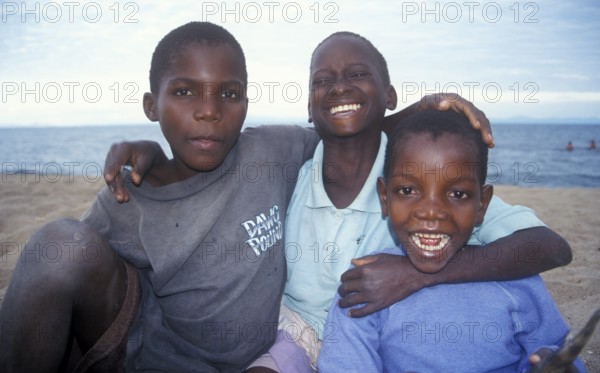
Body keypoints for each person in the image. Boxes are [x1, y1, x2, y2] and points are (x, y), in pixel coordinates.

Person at [0, 22, 492, 372]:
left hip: (266, 356)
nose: (209, 112)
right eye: (186, 93)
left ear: (247, 102)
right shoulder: (129, 196)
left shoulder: (272, 151)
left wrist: (420, 110)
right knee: (61, 242)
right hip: (141, 354)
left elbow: (346, 128)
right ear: (152, 105)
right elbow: (75, 271)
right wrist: (145, 153)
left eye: (229, 94)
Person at [106, 31, 573, 373]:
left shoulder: (420, 178)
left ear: (389, 95)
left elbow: (549, 247)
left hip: (389, 329)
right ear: (309, 107)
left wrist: (413, 271)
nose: (339, 87)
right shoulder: (292, 164)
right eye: (322, 80)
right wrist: (153, 155)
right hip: (300, 336)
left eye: (357, 75)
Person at [317, 109, 585, 373]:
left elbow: (558, 351)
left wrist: (553, 363)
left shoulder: (516, 282)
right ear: (385, 198)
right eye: (408, 190)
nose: (432, 211)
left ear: (482, 204)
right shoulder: (366, 284)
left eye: (458, 194)